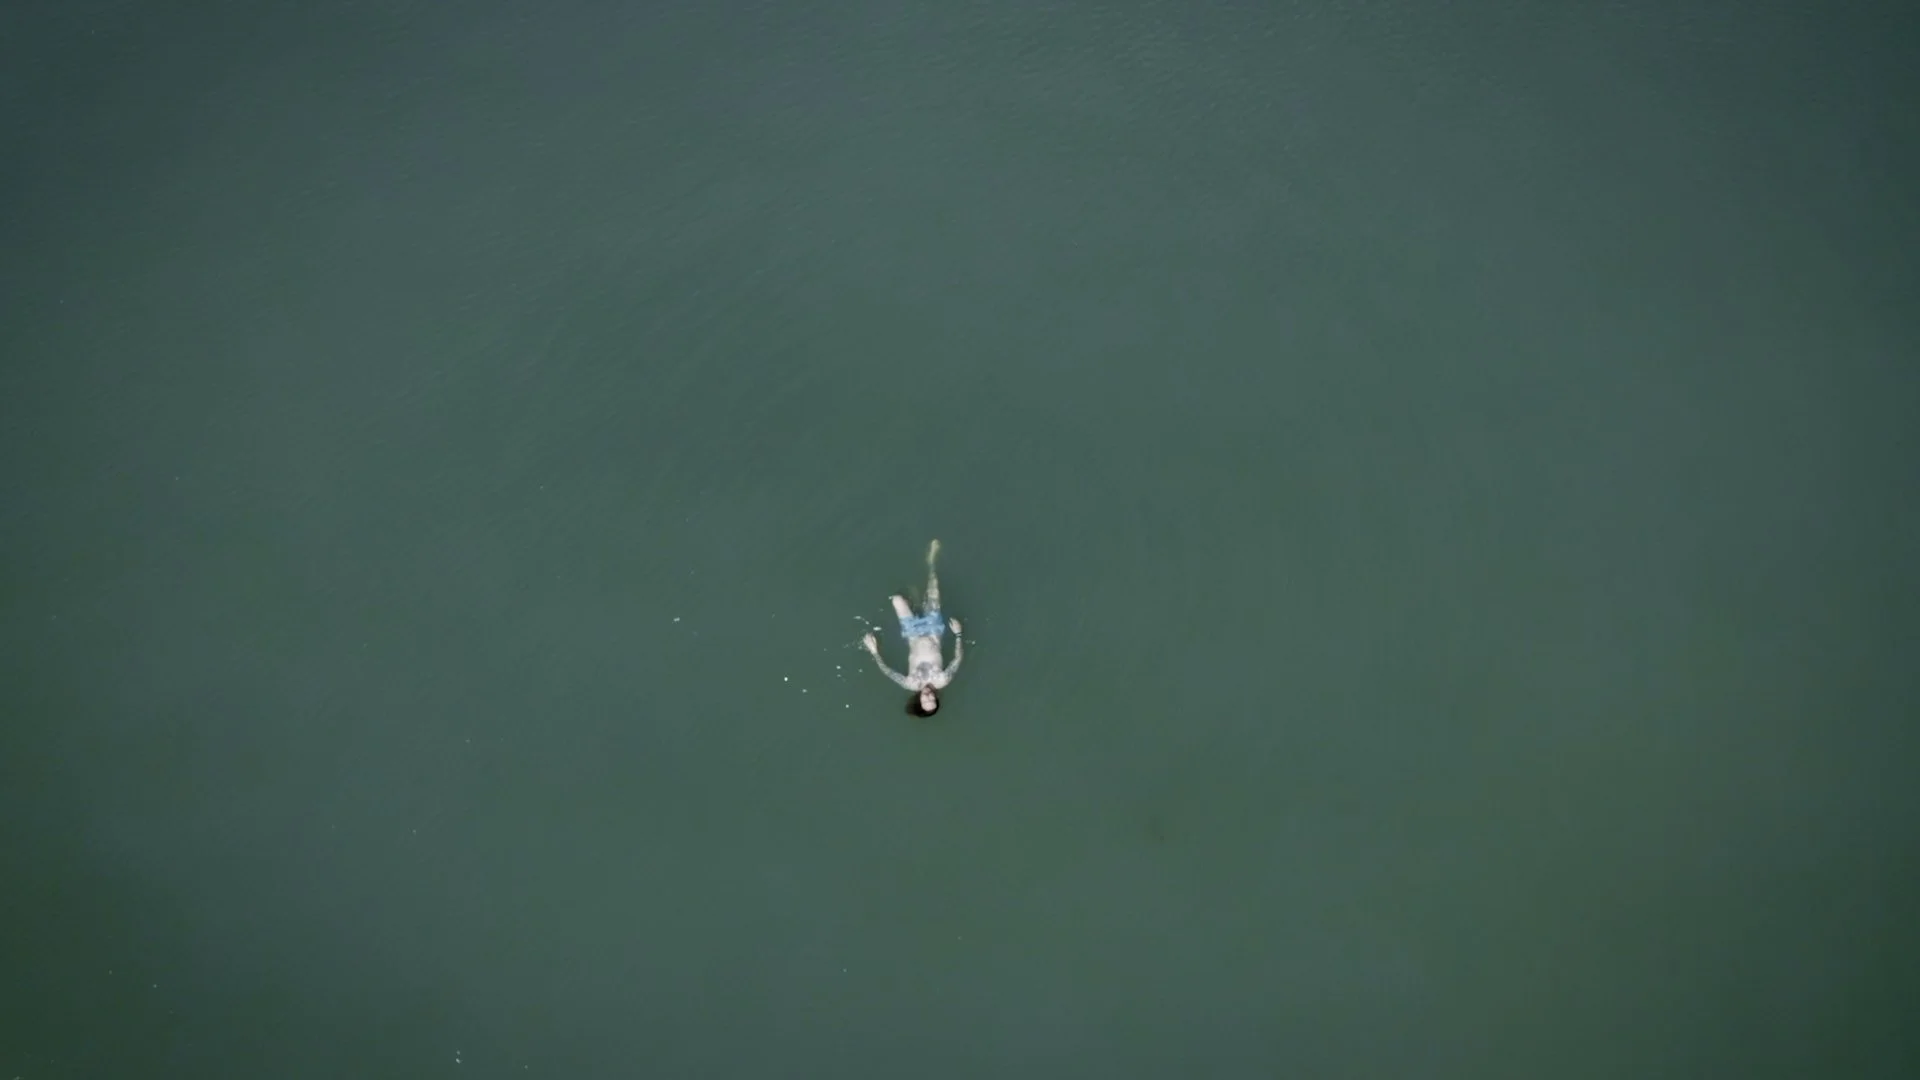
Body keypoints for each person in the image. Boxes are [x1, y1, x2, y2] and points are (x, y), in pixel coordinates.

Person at [862, 539, 963, 716]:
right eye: (933, 700)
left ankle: (912, 600)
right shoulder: (942, 679)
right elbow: (957, 660)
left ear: (918, 700)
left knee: (896, 600)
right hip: (933, 629)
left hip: (913, 632)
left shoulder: (911, 683)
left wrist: (874, 651)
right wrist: (958, 634)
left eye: (925, 701)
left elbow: (887, 671)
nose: (929, 697)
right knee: (934, 587)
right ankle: (931, 560)